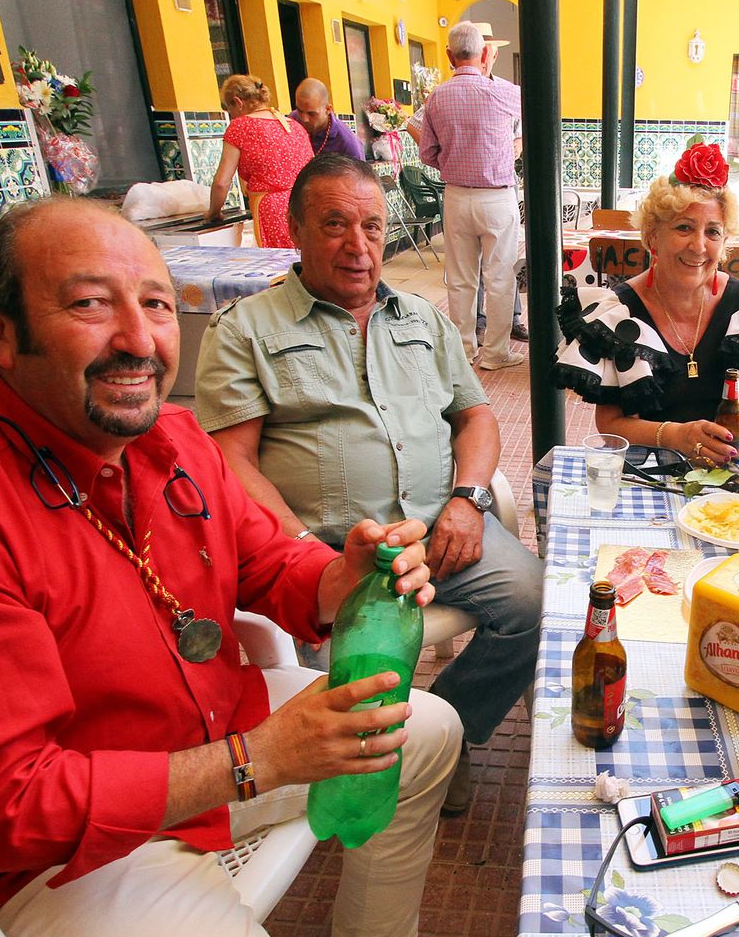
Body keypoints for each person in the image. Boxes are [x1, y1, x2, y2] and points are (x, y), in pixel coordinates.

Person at [0, 197, 504, 937]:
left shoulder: (170, 441)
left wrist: (338, 577)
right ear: (0, 330)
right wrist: (258, 760)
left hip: (212, 740)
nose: (140, 341)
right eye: (89, 303)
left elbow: (270, 561)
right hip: (64, 858)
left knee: (427, 730)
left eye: (153, 302)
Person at [195, 155, 541, 817]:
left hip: (440, 529)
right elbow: (229, 458)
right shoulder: (245, 329)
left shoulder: (424, 318)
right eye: (334, 224)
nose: (358, 246)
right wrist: (300, 550)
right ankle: (376, 753)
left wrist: (468, 502)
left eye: (373, 227)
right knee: (348, 655)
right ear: (294, 229)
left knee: (536, 602)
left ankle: (446, 735)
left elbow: (476, 417)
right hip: (325, 548)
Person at [553, 141, 739, 464]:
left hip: (731, 466)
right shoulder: (618, 315)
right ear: (653, 237)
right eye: (684, 228)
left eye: (713, 232)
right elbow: (611, 423)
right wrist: (675, 437)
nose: (698, 246)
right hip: (648, 469)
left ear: (725, 242)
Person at [416, 21, 525, 370]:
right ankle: (495, 353)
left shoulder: (436, 96)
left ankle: (462, 352)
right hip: (497, 198)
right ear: (483, 53)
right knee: (500, 277)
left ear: (449, 55)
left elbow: (427, 152)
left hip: (457, 197)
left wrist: (454, 160)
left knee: (461, 279)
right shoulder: (507, 93)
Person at [207, 74, 314, 248]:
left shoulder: (239, 127)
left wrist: (213, 213)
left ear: (238, 102)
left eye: (230, 109)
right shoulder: (294, 126)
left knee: (278, 267)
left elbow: (222, 182)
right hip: (304, 206)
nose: (231, 115)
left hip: (271, 211)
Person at [290, 76, 366, 160]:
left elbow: (360, 172)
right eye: (299, 111)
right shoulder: (292, 121)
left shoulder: (347, 142)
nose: (304, 119)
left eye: (311, 114)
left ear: (328, 109)